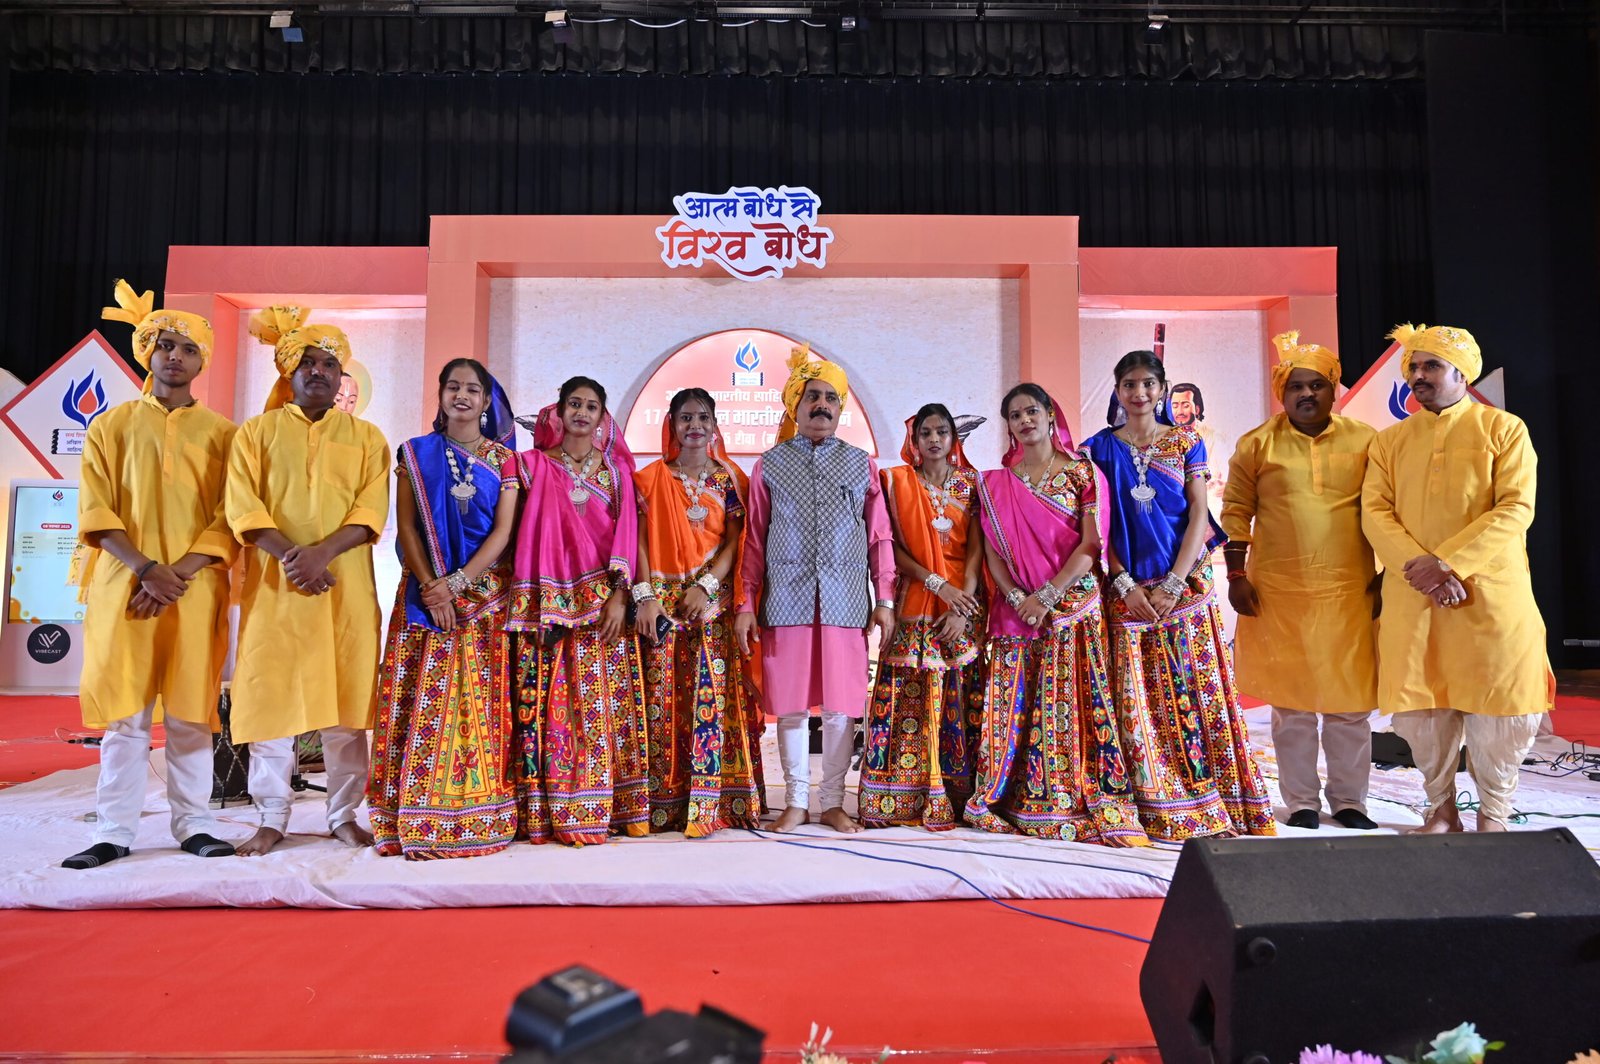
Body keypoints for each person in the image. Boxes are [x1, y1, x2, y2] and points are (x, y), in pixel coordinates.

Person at [61, 281, 238, 869]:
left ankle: (195, 825)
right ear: (147, 353)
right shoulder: (109, 427)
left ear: (201, 361)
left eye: (187, 349)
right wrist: (146, 570)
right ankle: (114, 831)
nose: (174, 357)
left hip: (195, 588)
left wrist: (175, 575)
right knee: (126, 714)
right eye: (164, 345)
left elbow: (230, 516)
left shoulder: (224, 435)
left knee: (190, 713)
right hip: (125, 585)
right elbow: (96, 511)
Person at [1362, 324, 1550, 833]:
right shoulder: (1390, 441)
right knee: (1423, 704)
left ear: (1462, 374)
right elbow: (1375, 513)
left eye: (1432, 366)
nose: (1418, 375)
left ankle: (1494, 813)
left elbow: (1516, 508)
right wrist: (1424, 569)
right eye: (1414, 367)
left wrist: (1447, 563)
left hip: (1490, 591)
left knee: (1501, 700)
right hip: (1415, 593)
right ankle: (1441, 808)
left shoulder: (1504, 430)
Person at [1083, 351, 1276, 839]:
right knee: (1136, 699)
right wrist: (1123, 582)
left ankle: (1214, 795)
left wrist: (1174, 582)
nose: (1139, 393)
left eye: (1148, 384)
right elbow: (1098, 526)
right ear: (1117, 390)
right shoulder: (1098, 449)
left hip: (1184, 587)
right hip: (1126, 590)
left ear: (1162, 389)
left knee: (1195, 691)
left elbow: (1197, 514)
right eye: (1129, 384)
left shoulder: (1186, 442)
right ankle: (1152, 800)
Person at [226, 306, 390, 856]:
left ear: (343, 377)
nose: (319, 372)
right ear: (289, 373)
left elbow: (371, 510)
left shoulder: (367, 438)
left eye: (329, 364)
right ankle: (271, 817)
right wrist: (295, 559)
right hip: (277, 590)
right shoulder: (256, 433)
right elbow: (242, 506)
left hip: (344, 590)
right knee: (272, 702)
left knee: (346, 711)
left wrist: (322, 555)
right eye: (308, 363)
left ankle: (343, 815)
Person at [963, 386, 1147, 845]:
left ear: (1050, 415)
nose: (1024, 420)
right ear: (1008, 426)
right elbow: (991, 550)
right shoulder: (996, 483)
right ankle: (1008, 795)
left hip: (1072, 607)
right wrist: (1015, 597)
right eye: (1015, 415)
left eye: (1032, 411)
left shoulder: (1083, 472)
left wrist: (1046, 596)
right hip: (1016, 611)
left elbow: (1092, 545)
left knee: (1069, 704)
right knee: (1014, 705)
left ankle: (1065, 794)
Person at [734, 345, 896, 834]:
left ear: (840, 408)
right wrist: (745, 602)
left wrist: (885, 599)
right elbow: (754, 539)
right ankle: (795, 802)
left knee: (843, 708)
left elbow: (879, 536)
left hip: (845, 600)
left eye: (830, 398)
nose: (822, 405)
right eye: (812, 397)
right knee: (791, 708)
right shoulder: (769, 465)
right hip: (786, 599)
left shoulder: (861, 465)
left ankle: (833, 802)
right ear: (795, 405)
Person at [1222, 333, 1380, 831]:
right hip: (1279, 592)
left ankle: (1350, 802)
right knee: (1291, 705)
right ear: (1282, 394)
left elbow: (1385, 511)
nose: (1306, 394)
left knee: (1350, 704)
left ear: (1334, 389)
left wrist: (1387, 577)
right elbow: (1235, 511)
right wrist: (1235, 574)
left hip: (1349, 590)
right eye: (1296, 387)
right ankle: (1301, 802)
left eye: (1317, 385)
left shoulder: (1366, 440)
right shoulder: (1257, 443)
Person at [368, 358, 521, 859]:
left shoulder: (505, 461)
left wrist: (458, 584)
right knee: (422, 699)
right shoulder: (416, 453)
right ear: (441, 394)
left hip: (485, 598)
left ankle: (480, 810)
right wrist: (432, 586)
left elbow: (504, 532)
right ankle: (411, 813)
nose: (462, 396)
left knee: (479, 706)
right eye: (453, 386)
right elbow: (408, 527)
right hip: (424, 595)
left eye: (472, 389)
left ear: (486, 401)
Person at [506, 376, 649, 845]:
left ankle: (608, 808)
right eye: (574, 404)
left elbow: (629, 537)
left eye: (591, 406)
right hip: (546, 612)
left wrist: (622, 598)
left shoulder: (617, 474)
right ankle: (547, 813)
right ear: (559, 411)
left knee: (603, 711)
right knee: (548, 712)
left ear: (603, 417)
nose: (582, 413)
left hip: (604, 613)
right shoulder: (531, 466)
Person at [633, 387, 765, 837]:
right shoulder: (649, 479)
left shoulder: (730, 480)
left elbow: (737, 540)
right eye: (686, 417)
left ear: (714, 426)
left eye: (703, 417)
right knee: (663, 703)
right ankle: (662, 803)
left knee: (714, 701)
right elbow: (639, 542)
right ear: (671, 424)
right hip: (662, 609)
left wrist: (706, 588)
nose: (695, 426)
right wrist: (646, 596)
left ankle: (721, 802)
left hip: (712, 608)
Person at [859, 404, 985, 830]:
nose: (934, 440)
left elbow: (977, 549)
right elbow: (888, 545)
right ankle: (895, 797)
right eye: (925, 433)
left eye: (942, 432)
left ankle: (956, 796)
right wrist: (937, 585)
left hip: (963, 606)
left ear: (953, 439)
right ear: (913, 441)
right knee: (906, 695)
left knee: (958, 696)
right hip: (915, 601)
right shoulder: (895, 482)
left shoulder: (972, 484)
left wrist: (962, 602)